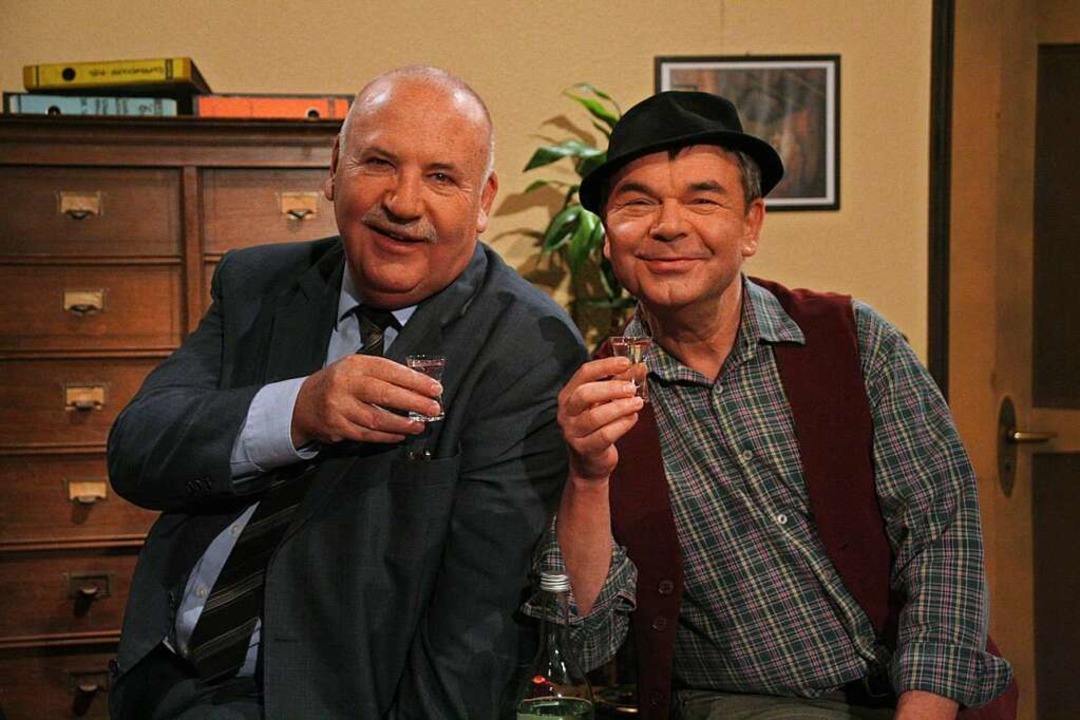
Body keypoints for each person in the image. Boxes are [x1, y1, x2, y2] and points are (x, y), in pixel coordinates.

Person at [107, 65, 585, 719]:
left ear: (484, 201)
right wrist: (299, 410)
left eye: (441, 178)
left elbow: (476, 635)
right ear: (334, 169)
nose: (404, 203)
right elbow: (137, 452)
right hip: (162, 676)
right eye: (379, 163)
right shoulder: (256, 282)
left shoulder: (526, 347)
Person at [534, 91, 1014, 720]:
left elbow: (943, 537)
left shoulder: (855, 340)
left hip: (919, 692)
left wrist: (923, 707)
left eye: (703, 200)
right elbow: (583, 644)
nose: (669, 226)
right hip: (741, 703)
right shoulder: (595, 399)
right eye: (638, 203)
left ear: (751, 225)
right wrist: (587, 477)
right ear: (606, 237)